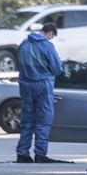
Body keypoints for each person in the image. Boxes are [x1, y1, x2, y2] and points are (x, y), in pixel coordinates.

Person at [16, 23, 65, 163]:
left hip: (25, 85)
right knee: (43, 120)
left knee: (26, 120)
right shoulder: (47, 46)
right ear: (49, 33)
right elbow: (57, 69)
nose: (51, 39)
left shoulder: (23, 44)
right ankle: (40, 154)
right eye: (52, 36)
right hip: (43, 85)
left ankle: (22, 153)